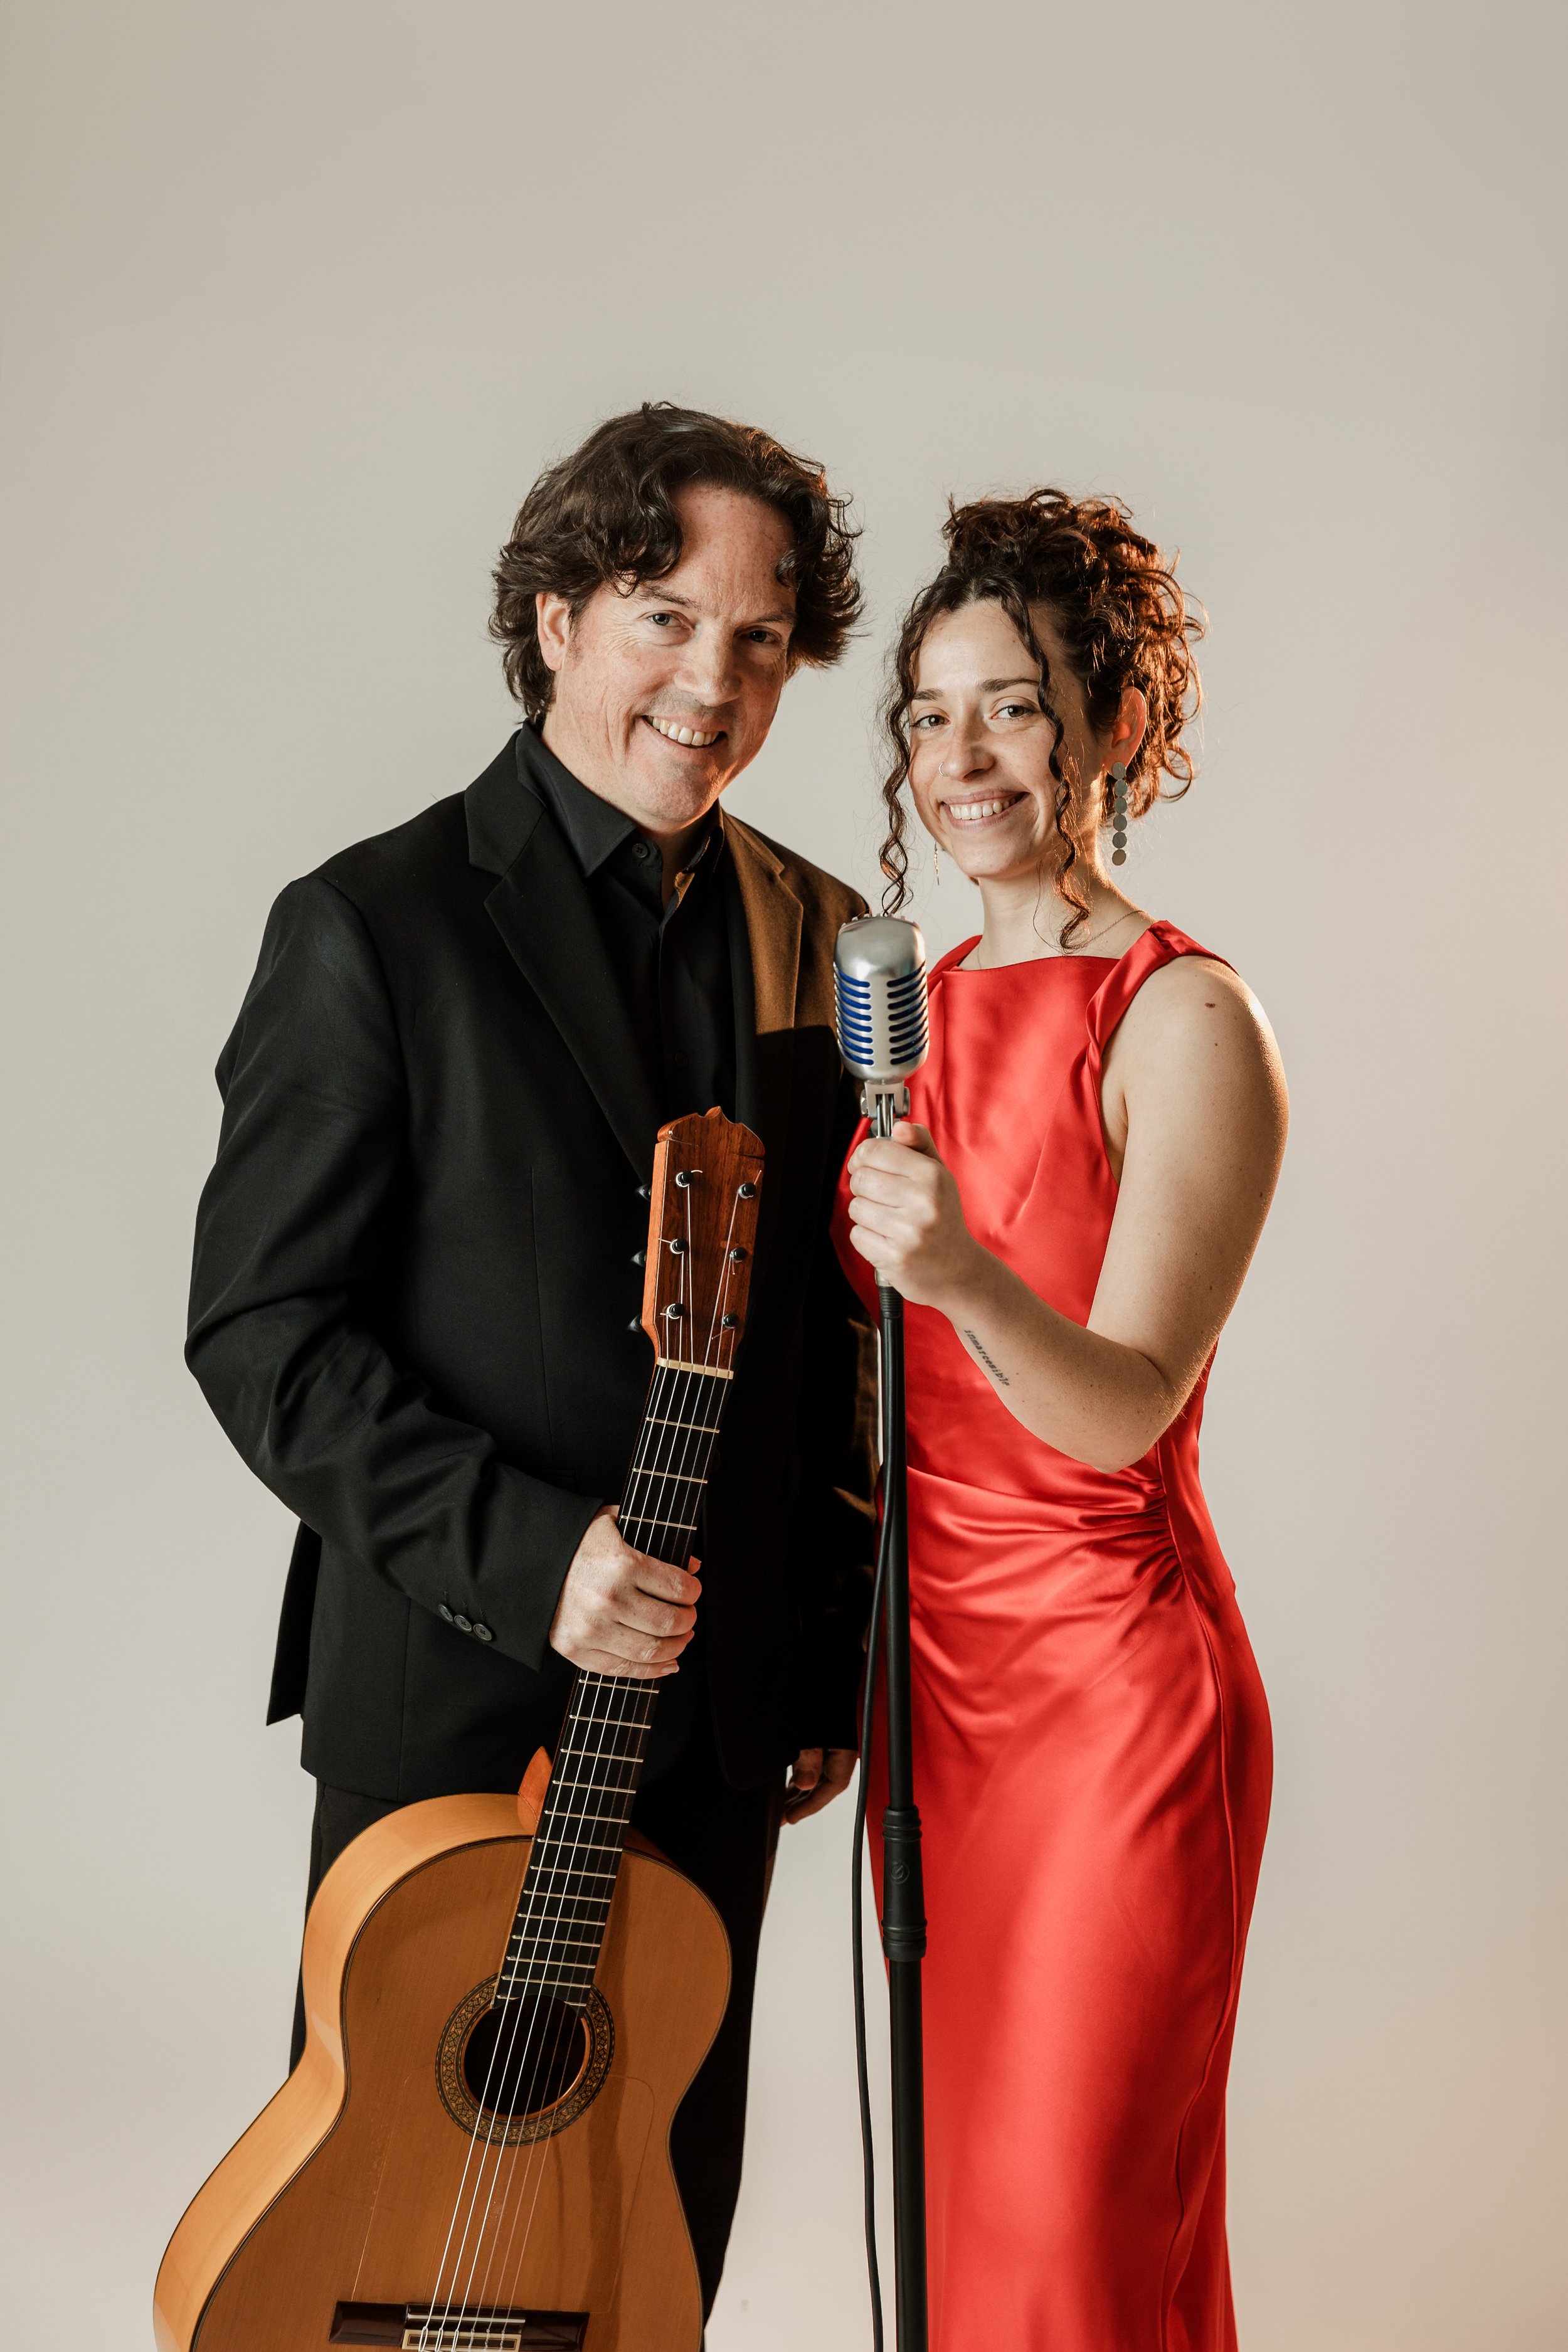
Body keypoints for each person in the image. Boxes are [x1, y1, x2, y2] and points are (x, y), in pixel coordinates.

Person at [186, 402, 878, 2315]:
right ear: (561, 614)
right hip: (456, 1693)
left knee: (646, 2240)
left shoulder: (818, 935)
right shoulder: (371, 926)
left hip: (718, 1714)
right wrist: (527, 1553)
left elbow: (832, 1347)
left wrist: (813, 1656)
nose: (711, 682)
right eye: (666, 616)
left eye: (757, 641)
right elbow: (263, 1332)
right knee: (392, 2237)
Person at [834, 490, 1287, 2350]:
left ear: (1108, 723)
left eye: (1012, 705)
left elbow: (1123, 1407)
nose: (963, 758)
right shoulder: (907, 1015)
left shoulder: (1183, 1017)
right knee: (969, 2252)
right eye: (929, 714)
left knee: (1075, 2252)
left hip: (1110, 1701)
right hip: (928, 1704)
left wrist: (960, 1278)